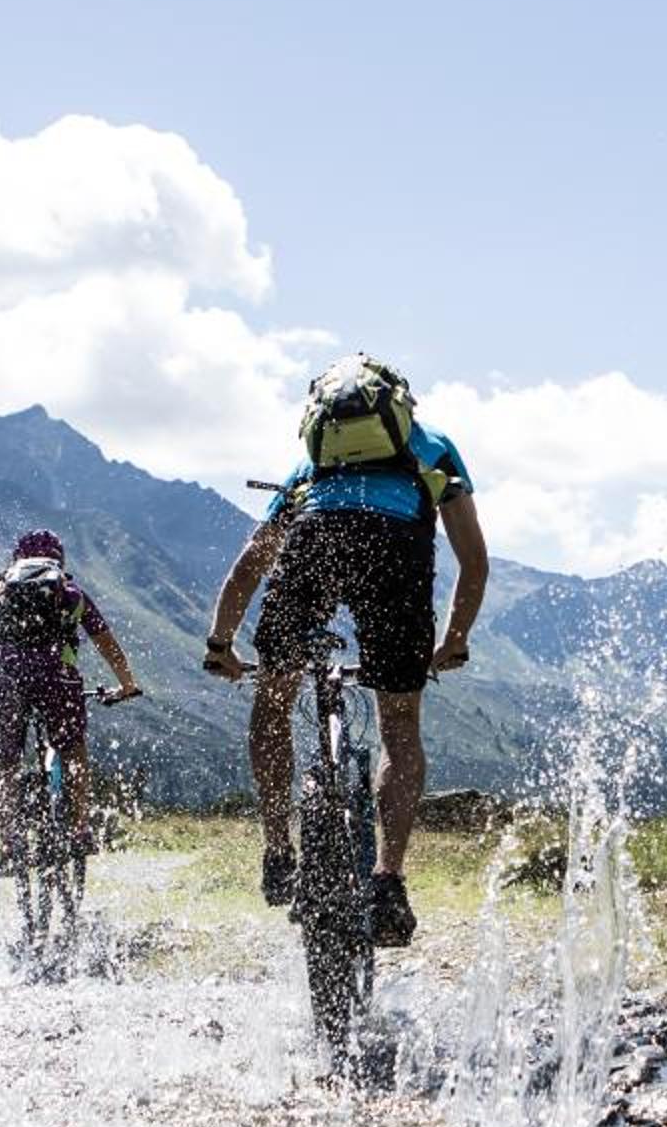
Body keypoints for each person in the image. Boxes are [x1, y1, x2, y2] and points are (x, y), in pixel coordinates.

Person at [202, 353, 488, 947]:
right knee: (399, 726)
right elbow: (474, 561)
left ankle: (278, 851)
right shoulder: (432, 446)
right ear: (399, 404)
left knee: (273, 703)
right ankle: (388, 881)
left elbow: (250, 565)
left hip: (315, 542)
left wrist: (221, 644)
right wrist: (454, 639)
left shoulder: (312, 464)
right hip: (396, 552)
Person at [0, 530, 141, 876]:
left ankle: (9, 841)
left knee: (5, 765)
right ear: (59, 560)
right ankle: (79, 830)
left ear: (17, 560)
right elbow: (107, 644)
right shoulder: (70, 594)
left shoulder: (5, 593)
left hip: (6, 681)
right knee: (72, 751)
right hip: (57, 681)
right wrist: (127, 685)